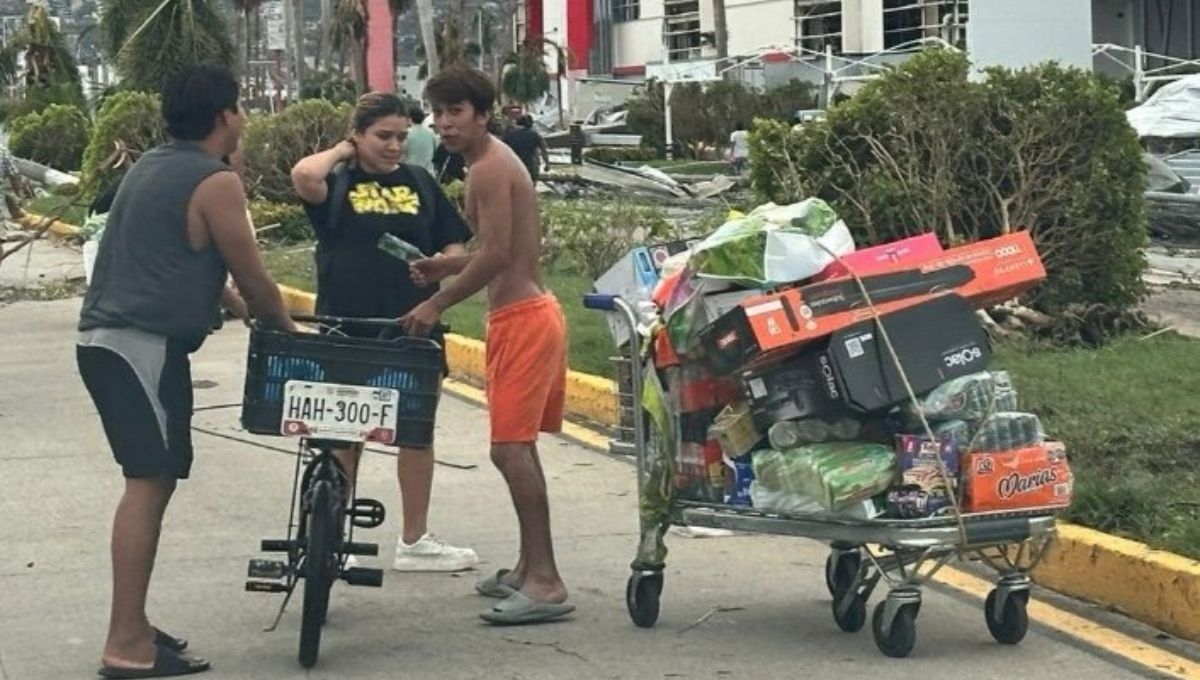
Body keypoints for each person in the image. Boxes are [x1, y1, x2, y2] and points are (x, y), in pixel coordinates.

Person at [77, 64, 295, 678]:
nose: (245, 119)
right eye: (241, 109)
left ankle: (136, 625)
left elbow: (180, 253)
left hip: (125, 345)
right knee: (147, 482)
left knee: (159, 478)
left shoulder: (152, 164)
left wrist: (231, 304)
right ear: (226, 116)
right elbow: (252, 275)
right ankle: (125, 643)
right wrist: (286, 328)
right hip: (134, 345)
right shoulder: (214, 180)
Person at [402, 65, 573, 625]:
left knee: (509, 449)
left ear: (483, 114)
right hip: (519, 315)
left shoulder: (490, 167)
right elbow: (502, 248)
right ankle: (528, 568)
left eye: (455, 112)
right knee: (517, 446)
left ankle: (545, 581)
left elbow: (499, 256)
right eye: (437, 112)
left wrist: (437, 303)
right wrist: (445, 265)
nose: (444, 124)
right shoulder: (487, 162)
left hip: (525, 317)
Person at [290, 92, 479, 573]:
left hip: (411, 323)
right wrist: (342, 152)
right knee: (342, 432)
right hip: (346, 322)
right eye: (382, 137)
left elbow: (453, 239)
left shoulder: (420, 182)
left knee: (415, 430)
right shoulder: (336, 180)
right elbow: (303, 176)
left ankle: (414, 539)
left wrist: (442, 265)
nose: (395, 146)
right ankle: (328, 529)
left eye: (401, 136)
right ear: (357, 136)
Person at [501, 114, 550, 183]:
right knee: (531, 185)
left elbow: (501, 150)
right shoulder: (535, 135)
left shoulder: (509, 135)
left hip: (514, 165)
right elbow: (543, 150)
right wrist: (547, 163)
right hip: (531, 165)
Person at [402, 105, 438, 175]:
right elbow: (436, 150)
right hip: (428, 173)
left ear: (410, 118)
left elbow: (402, 155)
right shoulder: (430, 132)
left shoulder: (406, 133)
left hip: (411, 173)